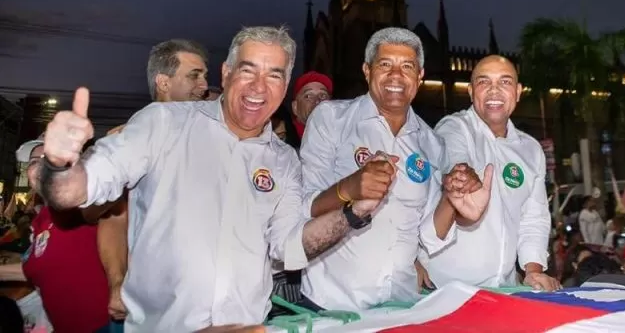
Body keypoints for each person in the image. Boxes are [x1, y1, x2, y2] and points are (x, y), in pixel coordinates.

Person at [35, 26, 385, 332]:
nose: (259, 87)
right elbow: (78, 190)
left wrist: (355, 213)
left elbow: (289, 246)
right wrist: (61, 166)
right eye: (248, 71)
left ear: (284, 88)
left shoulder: (284, 160)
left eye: (274, 75)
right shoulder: (163, 124)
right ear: (227, 72)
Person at [299, 27, 493, 311]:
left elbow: (426, 235)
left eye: (407, 66)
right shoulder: (331, 119)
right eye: (385, 64)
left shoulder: (431, 143)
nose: (396, 75)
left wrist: (452, 203)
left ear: (420, 76)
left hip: (399, 306)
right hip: (332, 304)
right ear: (367, 71)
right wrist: (348, 189)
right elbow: (305, 206)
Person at [93, 38, 209, 322]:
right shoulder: (133, 138)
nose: (204, 86)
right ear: (164, 82)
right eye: (194, 76)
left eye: (205, 76)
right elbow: (112, 217)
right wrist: (117, 282)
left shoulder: (213, 133)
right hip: (157, 303)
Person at [424, 55, 559, 291]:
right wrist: (463, 180)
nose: (494, 90)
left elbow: (534, 217)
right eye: (484, 82)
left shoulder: (531, 149)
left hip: (504, 289)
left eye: (505, 82)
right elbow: (456, 167)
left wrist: (533, 270)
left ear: (517, 92)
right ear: (470, 91)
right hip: (446, 289)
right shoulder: (453, 128)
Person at [0, 138, 109, 333]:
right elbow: (37, 270)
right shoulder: (40, 221)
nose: (41, 166)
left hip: (104, 325)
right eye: (34, 161)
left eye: (49, 158)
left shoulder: (84, 203)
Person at [290, 71, 332, 142]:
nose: (317, 101)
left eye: (323, 95)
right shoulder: (286, 141)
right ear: (295, 107)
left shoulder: (338, 136)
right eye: (308, 96)